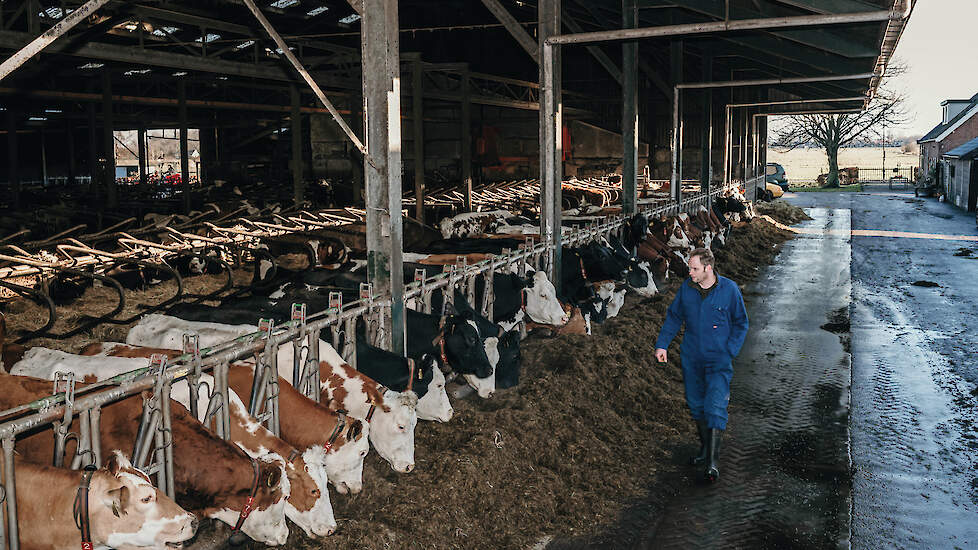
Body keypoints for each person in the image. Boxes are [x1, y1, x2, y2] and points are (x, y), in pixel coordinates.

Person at [654, 248, 748, 482]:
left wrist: (730, 351)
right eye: (689, 268)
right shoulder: (687, 289)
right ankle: (705, 450)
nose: (690, 272)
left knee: (715, 405)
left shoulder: (729, 290)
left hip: (718, 359)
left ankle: (713, 463)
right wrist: (662, 345)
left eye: (694, 268)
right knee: (696, 405)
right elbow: (675, 317)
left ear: (708, 268)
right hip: (692, 357)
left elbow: (741, 323)